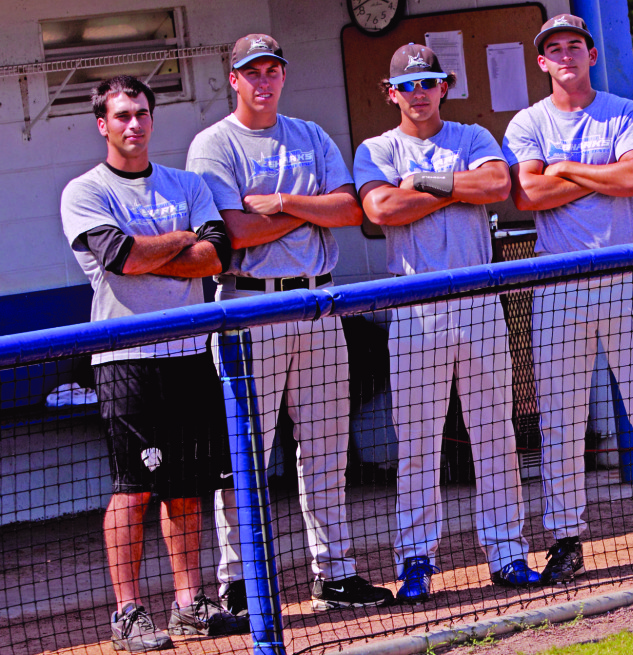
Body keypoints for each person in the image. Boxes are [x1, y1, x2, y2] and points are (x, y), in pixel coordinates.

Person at [186, 34, 393, 611]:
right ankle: (240, 581)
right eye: (252, 71)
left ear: (282, 74)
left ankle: (335, 571)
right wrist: (308, 205)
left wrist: (278, 203)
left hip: (318, 303)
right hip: (249, 305)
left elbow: (350, 210)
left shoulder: (310, 134)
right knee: (244, 454)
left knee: (325, 450)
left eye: (272, 69)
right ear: (234, 79)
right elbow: (234, 233)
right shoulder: (214, 144)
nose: (263, 80)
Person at [503, 14, 633, 584]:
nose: (565, 55)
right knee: (561, 419)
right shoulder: (528, 121)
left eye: (574, 46)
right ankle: (565, 537)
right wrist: (597, 173)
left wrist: (565, 168)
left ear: (591, 54)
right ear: (541, 62)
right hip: (559, 281)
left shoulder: (624, 111)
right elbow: (531, 193)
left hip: (626, 272)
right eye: (553, 49)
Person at [61, 75, 245, 651]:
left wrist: (157, 249)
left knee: (187, 489)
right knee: (134, 488)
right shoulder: (84, 191)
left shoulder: (186, 182)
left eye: (141, 113)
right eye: (121, 116)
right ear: (103, 124)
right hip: (127, 360)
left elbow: (216, 253)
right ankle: (128, 613)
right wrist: (180, 240)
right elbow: (120, 259)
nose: (133, 124)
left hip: (190, 355)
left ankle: (189, 605)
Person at [354, 43, 541, 603]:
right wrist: (450, 190)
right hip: (414, 308)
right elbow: (381, 210)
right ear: (392, 92)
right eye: (407, 85)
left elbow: (496, 188)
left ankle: (507, 550)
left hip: (478, 298)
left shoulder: (474, 137)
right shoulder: (376, 147)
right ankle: (416, 558)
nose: (418, 93)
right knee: (417, 444)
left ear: (444, 85)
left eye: (428, 82)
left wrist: (426, 186)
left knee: (495, 436)